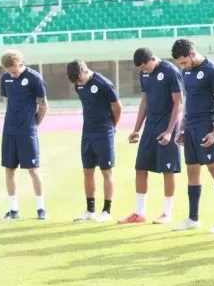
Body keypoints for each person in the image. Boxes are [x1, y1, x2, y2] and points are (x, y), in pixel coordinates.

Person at [171, 38, 214, 234]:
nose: (182, 66)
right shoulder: (186, 71)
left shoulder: (212, 71)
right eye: (180, 63)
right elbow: (188, 101)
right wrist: (182, 128)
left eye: (184, 62)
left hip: (207, 125)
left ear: (192, 54)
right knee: (192, 171)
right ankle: (193, 218)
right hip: (191, 127)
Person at [118, 48, 183, 225]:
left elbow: (179, 103)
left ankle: (167, 213)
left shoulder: (170, 71)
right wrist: (137, 129)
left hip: (167, 127)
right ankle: (139, 213)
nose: (144, 71)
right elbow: (144, 102)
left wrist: (170, 131)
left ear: (153, 59)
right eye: (141, 69)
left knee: (168, 170)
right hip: (149, 128)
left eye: (146, 67)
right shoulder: (144, 74)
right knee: (140, 168)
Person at [67, 59, 122, 223]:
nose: (78, 82)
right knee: (88, 171)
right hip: (87, 132)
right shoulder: (79, 85)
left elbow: (117, 107)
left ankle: (106, 211)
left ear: (85, 70)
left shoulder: (103, 84)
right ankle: (90, 210)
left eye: (79, 78)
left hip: (104, 132)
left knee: (106, 171)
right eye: (75, 81)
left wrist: (112, 126)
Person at [0, 50, 48, 220]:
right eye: (9, 71)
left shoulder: (34, 78)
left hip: (27, 132)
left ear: (20, 63)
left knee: (33, 170)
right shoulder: (4, 79)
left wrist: (33, 125)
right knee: (9, 169)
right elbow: (8, 103)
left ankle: (41, 208)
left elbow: (43, 105)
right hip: (9, 131)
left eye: (14, 71)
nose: (12, 74)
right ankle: (13, 210)